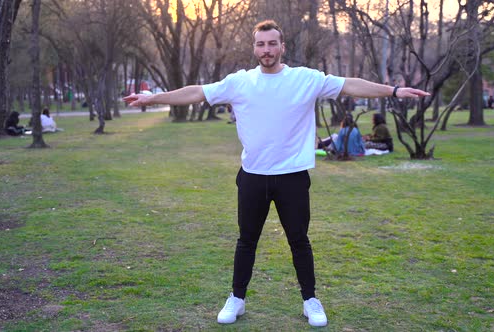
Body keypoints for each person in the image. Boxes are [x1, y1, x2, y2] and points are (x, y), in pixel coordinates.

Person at [124, 20, 429, 327]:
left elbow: (350, 84)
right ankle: (237, 299)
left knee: (299, 241)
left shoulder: (305, 79)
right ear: (254, 48)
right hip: (253, 176)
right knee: (246, 241)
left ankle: (311, 301)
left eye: (272, 44)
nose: (266, 50)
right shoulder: (239, 82)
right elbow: (196, 93)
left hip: (292, 176)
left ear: (282, 47)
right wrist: (153, 98)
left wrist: (395, 90)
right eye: (261, 44)